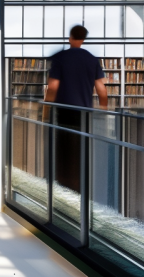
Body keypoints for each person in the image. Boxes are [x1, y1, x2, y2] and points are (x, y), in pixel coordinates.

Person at [44, 25, 108, 193]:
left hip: (64, 112)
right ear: (83, 39)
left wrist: (45, 112)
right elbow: (102, 90)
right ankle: (80, 190)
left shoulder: (60, 58)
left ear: (70, 38)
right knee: (81, 152)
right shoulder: (92, 59)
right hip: (85, 114)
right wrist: (103, 111)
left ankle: (62, 188)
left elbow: (52, 87)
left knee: (63, 152)